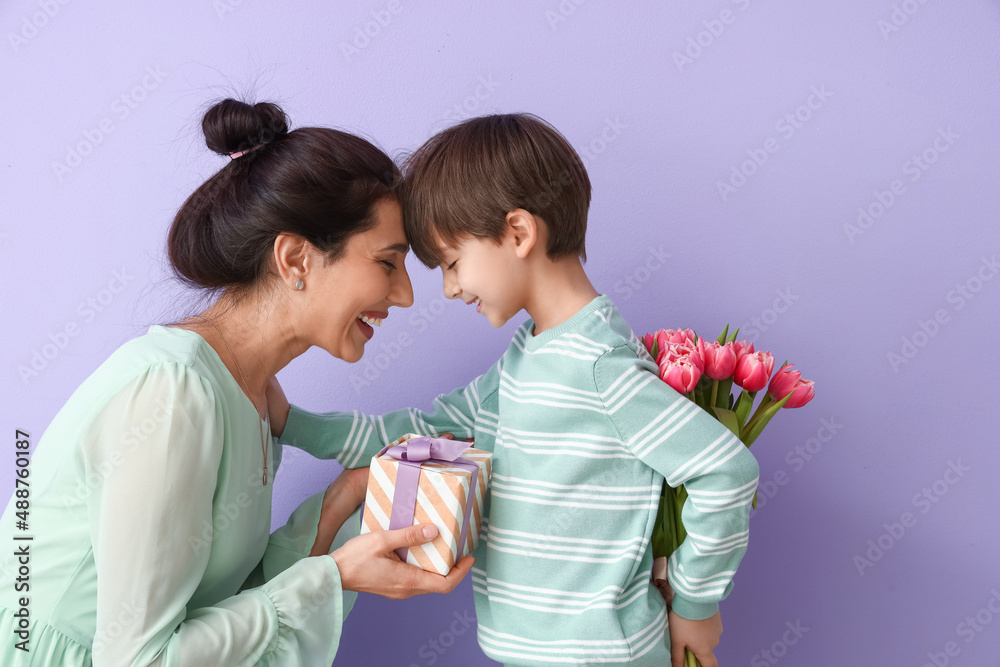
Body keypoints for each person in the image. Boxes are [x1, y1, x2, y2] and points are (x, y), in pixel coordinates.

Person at [267, 113, 760, 666]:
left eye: (452, 264)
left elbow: (726, 471)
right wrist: (296, 426)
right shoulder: (528, 359)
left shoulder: (601, 366)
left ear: (519, 233)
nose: (450, 289)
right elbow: (426, 431)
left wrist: (696, 606)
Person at [0, 98, 473, 667]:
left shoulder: (256, 395)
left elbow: (220, 602)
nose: (404, 295)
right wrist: (332, 577)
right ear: (296, 258)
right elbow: (137, 659)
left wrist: (339, 506)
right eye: (387, 263)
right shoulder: (174, 394)